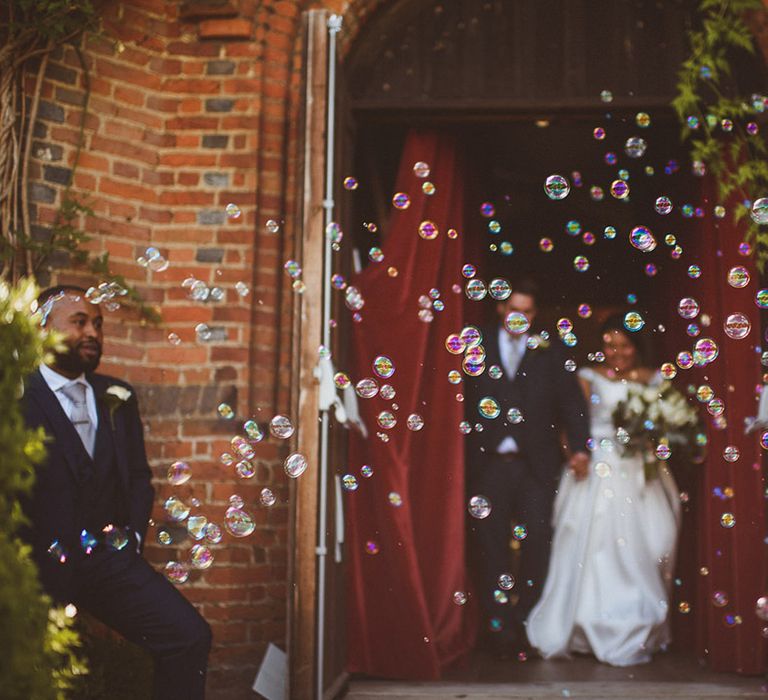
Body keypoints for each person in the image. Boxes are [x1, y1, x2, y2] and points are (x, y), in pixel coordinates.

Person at [21, 285, 212, 699]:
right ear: (44, 327)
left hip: (109, 559)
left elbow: (138, 478)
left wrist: (134, 540)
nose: (93, 332)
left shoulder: (117, 397)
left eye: (98, 324)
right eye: (79, 322)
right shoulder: (17, 395)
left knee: (189, 636)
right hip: (37, 567)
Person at [526, 314, 681, 666]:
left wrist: (656, 437)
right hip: (599, 466)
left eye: (624, 345)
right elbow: (572, 422)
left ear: (637, 347)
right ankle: (586, 624)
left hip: (640, 468)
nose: (616, 352)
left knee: (654, 542)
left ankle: (640, 620)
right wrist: (575, 455)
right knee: (596, 544)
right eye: (610, 345)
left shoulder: (655, 379)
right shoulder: (587, 377)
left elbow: (665, 428)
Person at [464, 278, 591, 657]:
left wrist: (580, 448)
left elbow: (572, 403)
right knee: (490, 545)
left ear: (535, 314)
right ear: (502, 308)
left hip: (536, 465)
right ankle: (496, 628)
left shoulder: (549, 351)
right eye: (514, 309)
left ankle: (526, 622)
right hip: (488, 463)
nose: (520, 317)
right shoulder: (477, 345)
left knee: (538, 542)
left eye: (528, 312)